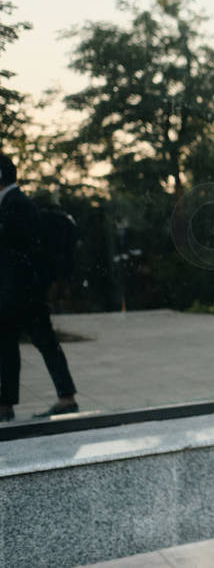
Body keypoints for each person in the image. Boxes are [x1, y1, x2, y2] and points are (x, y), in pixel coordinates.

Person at [0, 152, 78, 421]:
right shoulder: (15, 202)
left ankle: (62, 398)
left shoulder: (15, 204)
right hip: (22, 291)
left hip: (20, 292)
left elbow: (21, 250)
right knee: (23, 345)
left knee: (22, 345)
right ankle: (10, 404)